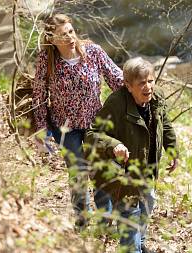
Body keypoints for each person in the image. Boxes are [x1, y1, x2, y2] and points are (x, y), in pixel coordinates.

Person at [32, 14, 124, 228]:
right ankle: (82, 221)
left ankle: (104, 221)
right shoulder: (47, 59)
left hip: (95, 124)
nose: (70, 38)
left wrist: (139, 90)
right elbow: (38, 95)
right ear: (52, 39)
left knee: (100, 171)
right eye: (63, 35)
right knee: (78, 174)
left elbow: (116, 79)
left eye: (71, 32)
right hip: (65, 128)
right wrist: (41, 129)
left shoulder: (93, 51)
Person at [84, 57, 177, 253]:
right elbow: (92, 135)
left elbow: (165, 124)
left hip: (147, 170)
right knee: (130, 217)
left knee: (147, 205)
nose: (148, 87)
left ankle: (140, 244)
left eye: (150, 81)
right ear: (128, 85)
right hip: (122, 174)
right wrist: (114, 145)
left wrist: (172, 149)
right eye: (141, 83)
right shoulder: (116, 103)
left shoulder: (157, 97)